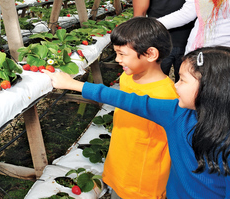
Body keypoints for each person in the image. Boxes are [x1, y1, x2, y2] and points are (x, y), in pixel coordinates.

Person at [44, 46, 230, 199]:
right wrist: (73, 84)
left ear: (211, 90)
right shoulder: (176, 113)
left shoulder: (220, 139)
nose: (176, 85)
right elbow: (129, 100)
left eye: (182, 80)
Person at [55, 17, 178, 199]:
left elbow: (121, 99)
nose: (118, 59)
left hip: (143, 181)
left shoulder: (166, 96)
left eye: (122, 54)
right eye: (116, 53)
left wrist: (74, 85)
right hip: (119, 164)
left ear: (151, 54)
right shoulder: (128, 77)